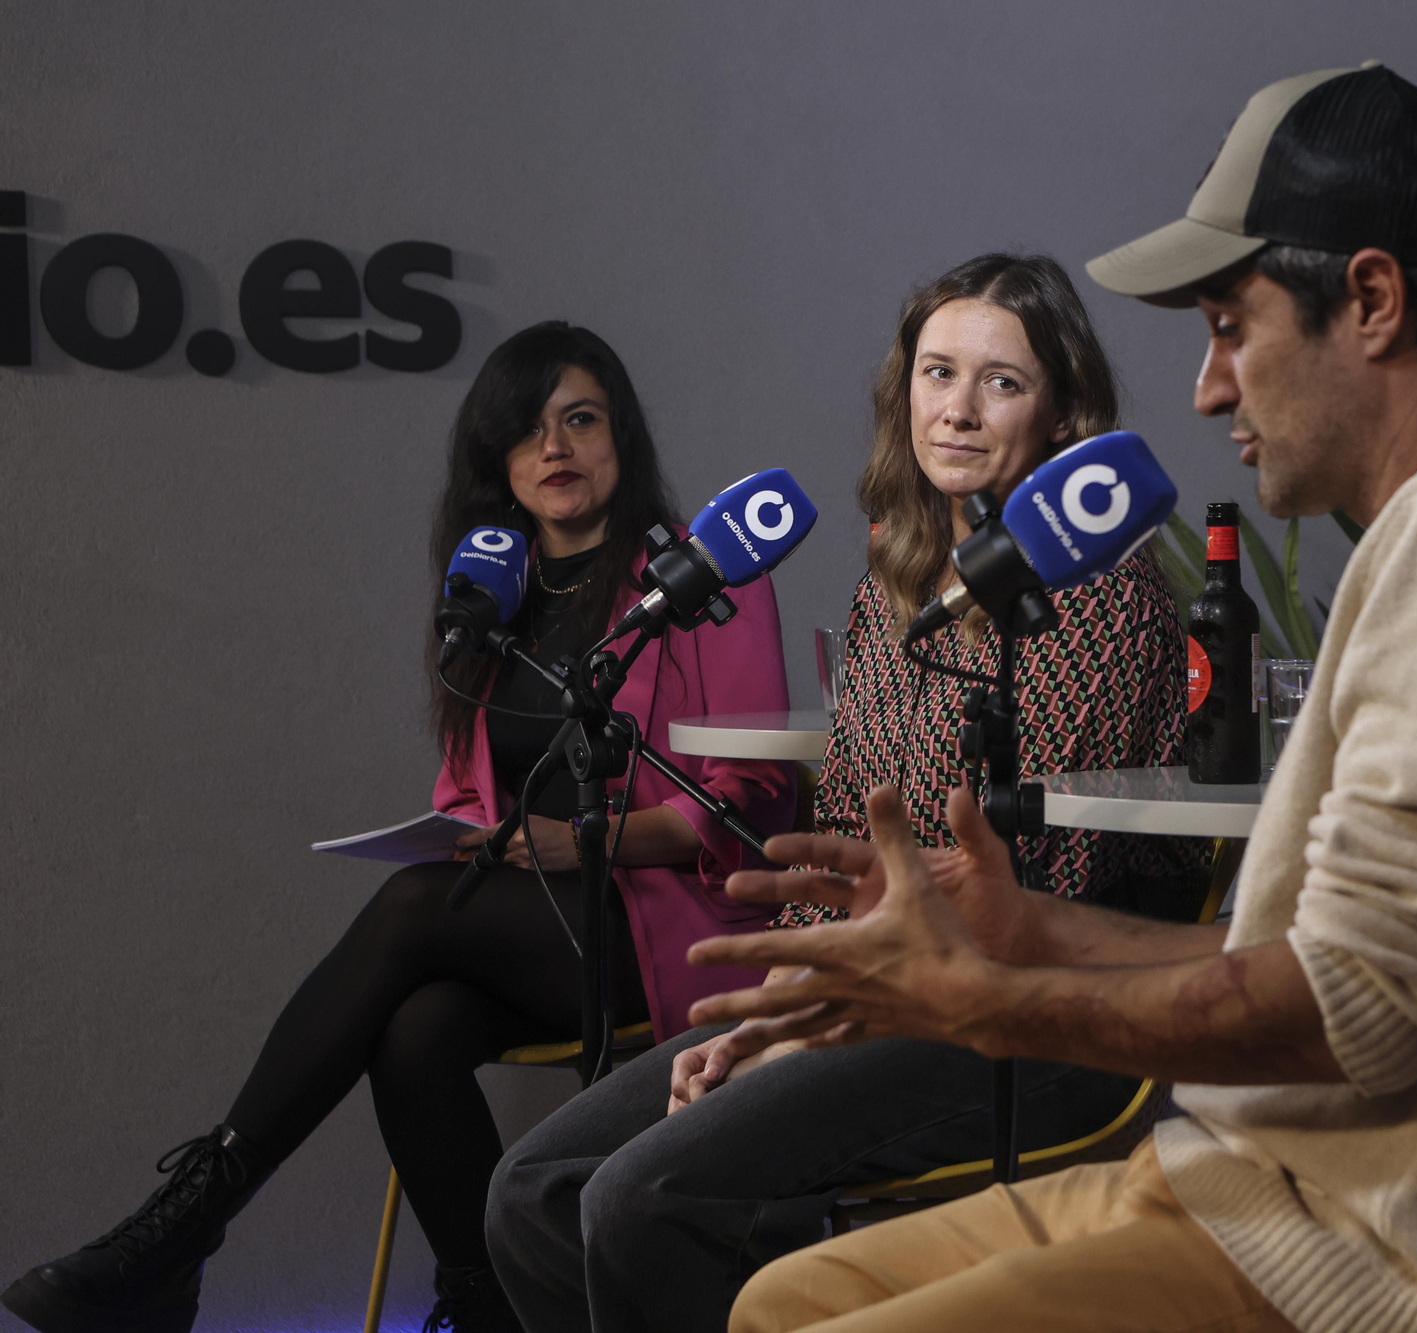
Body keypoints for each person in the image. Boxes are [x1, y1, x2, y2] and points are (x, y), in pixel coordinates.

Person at [682, 64, 1417, 1333]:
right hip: (1254, 1188)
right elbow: (1334, 967)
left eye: (1226, 324)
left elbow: (1357, 1012)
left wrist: (978, 1004)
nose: (1208, 389)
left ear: (1369, 301)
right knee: (784, 1293)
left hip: (1362, 1261)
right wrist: (1024, 928)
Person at [2, 322, 796, 1333]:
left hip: (673, 924)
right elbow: (470, 795)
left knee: (415, 908)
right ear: (496, 463)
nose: (554, 448)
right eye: (526, 429)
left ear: (621, 437)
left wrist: (583, 838)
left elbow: (754, 793)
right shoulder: (488, 597)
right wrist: (470, 835)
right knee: (415, 1031)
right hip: (535, 926)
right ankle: (488, 1303)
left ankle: (183, 1226)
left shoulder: (699, 581)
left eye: (579, 420)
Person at [484, 254, 1205, 1333]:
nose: (955, 409)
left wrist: (799, 1029)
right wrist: (782, 997)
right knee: (531, 1191)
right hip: (871, 983)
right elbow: (842, 844)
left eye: (999, 382)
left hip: (1042, 1014)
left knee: (645, 1197)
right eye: (935, 373)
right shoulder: (894, 583)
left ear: (1060, 413)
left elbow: (1016, 897)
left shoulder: (1099, 592)